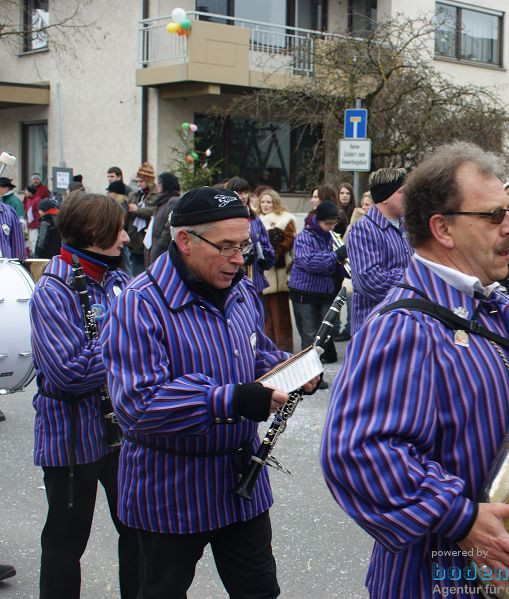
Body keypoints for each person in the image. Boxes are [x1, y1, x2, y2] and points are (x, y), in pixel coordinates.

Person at [320, 141, 509, 598]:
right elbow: (356, 453)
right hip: (436, 581)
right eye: (493, 216)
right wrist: (459, 518)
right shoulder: (402, 326)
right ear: (442, 228)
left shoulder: (506, 308)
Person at [101, 186, 318, 598]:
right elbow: (138, 404)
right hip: (169, 492)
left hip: (241, 486)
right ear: (185, 240)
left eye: (244, 244)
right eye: (226, 246)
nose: (239, 258)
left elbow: (253, 352)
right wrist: (232, 399)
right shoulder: (139, 303)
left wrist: (287, 371)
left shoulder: (239, 289)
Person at [30, 193, 139, 598]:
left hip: (120, 432)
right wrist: (122, 341)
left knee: (138, 532)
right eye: (119, 229)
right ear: (95, 233)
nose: (126, 238)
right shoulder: (54, 288)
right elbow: (69, 373)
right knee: (65, 541)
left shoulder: (116, 279)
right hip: (71, 436)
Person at [345, 167, 412, 334]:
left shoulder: (409, 226)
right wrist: (412, 278)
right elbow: (369, 281)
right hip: (374, 328)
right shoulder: (363, 230)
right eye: (402, 192)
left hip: (404, 323)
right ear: (385, 197)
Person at [289, 200, 346, 363]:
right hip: (304, 293)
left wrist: (342, 267)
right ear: (318, 220)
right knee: (310, 334)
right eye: (328, 223)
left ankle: (320, 362)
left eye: (334, 223)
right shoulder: (304, 237)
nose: (331, 227)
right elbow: (309, 262)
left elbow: (332, 263)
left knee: (326, 332)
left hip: (325, 291)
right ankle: (309, 371)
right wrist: (336, 256)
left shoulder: (331, 237)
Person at [259, 189, 297, 352]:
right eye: (263, 202)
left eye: (269, 202)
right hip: (262, 273)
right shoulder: (255, 220)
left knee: (280, 313)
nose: (266, 205)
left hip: (280, 273)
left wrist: (274, 248)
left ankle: (283, 348)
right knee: (265, 316)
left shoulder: (286, 218)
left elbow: (290, 241)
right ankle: (267, 349)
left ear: (275, 202)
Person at [225, 177, 275, 298]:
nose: (243, 196)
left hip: (254, 276)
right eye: (239, 192)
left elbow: (265, 243)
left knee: (258, 314)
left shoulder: (254, 218)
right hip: (231, 277)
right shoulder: (224, 217)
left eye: (246, 192)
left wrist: (265, 259)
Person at [125, 162, 157, 274]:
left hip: (148, 238)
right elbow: (127, 217)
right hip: (134, 239)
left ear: (149, 181)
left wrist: (138, 210)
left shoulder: (157, 195)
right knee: (135, 272)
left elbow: (155, 211)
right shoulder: (134, 195)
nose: (139, 183)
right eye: (138, 181)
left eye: (141, 181)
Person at [146, 172, 180, 264]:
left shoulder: (173, 201)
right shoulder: (161, 201)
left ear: (167, 185)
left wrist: (160, 245)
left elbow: (168, 227)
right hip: (154, 244)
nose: (157, 186)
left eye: (159, 184)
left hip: (162, 249)